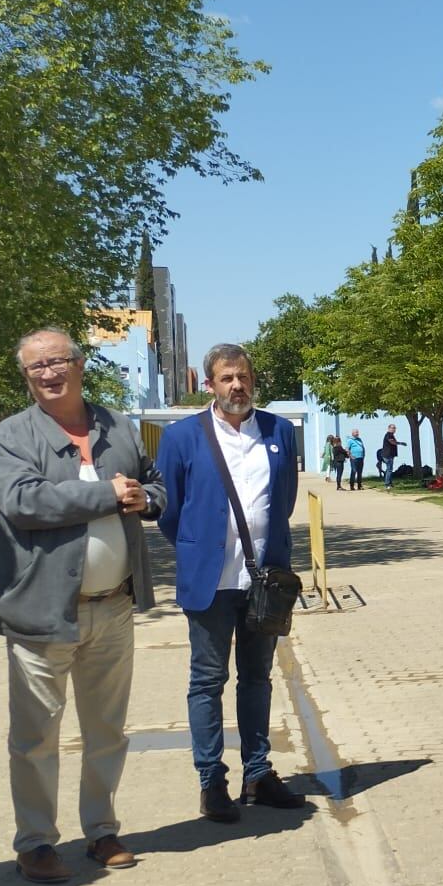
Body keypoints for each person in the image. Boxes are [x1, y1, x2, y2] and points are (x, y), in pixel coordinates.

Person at [0, 328, 166, 885]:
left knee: (107, 729)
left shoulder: (118, 426)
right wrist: (109, 495)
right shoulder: (12, 434)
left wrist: (145, 498)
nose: (47, 374)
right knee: (36, 736)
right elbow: (21, 501)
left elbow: (155, 484)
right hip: (42, 613)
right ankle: (36, 841)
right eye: (35, 367)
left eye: (57, 361)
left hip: (112, 606)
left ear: (80, 365)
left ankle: (102, 829)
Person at [156, 345, 308, 823]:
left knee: (258, 678)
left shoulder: (279, 430)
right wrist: (200, 545)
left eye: (242, 377)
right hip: (210, 581)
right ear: (210, 385)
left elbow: (282, 502)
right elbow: (170, 512)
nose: (236, 386)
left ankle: (258, 773)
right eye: (226, 378)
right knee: (207, 680)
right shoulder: (182, 437)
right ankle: (211, 781)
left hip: (264, 580)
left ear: (253, 380)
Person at [380, 423, 402, 487]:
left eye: (394, 428)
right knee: (389, 469)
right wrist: (400, 443)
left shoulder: (391, 435)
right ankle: (387, 484)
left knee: (389, 469)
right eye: (392, 428)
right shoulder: (389, 434)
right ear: (389, 428)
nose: (394, 429)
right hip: (388, 455)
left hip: (390, 455)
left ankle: (390, 483)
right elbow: (391, 442)